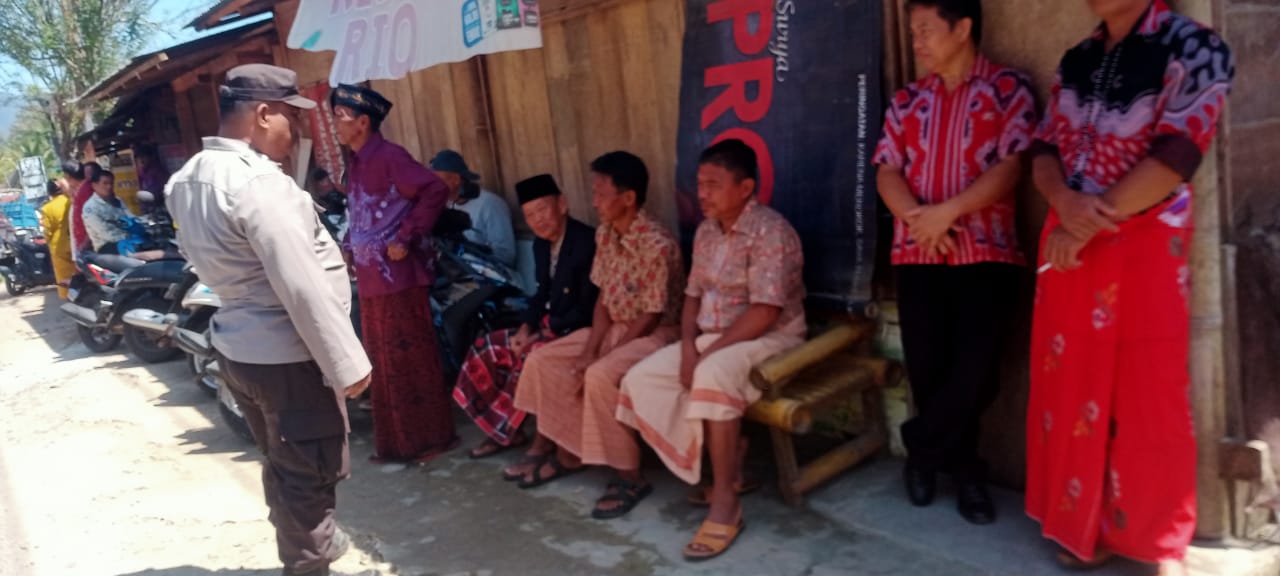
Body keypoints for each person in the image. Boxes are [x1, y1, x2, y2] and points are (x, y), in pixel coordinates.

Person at [1025, 1, 1233, 573]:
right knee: (1069, 382)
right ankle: (1080, 526)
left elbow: (1177, 156)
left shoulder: (1196, 48)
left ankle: (1148, 534)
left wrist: (1084, 221)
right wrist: (1064, 204)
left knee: (1146, 389)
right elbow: (1043, 148)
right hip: (1069, 242)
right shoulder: (1078, 58)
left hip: (1143, 242)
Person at [166, 64, 371, 576]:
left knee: (285, 461)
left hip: (239, 347)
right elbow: (300, 284)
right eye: (289, 118)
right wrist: (348, 364)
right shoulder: (257, 183)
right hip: (287, 355)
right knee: (309, 474)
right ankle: (307, 564)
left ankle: (310, 548)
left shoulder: (187, 179)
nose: (295, 131)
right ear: (262, 114)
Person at [873, 0, 1037, 526]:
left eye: (926, 30)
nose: (917, 42)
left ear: (963, 28)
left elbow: (1013, 166)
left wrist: (948, 213)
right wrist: (919, 220)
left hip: (986, 251)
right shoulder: (907, 100)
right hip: (917, 253)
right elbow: (887, 170)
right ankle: (966, 474)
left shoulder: (1008, 89)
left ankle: (920, 449)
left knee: (977, 371)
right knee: (929, 369)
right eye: (912, 32)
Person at [618, 139, 806, 560]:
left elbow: (765, 312)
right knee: (640, 378)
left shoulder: (772, 232)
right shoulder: (705, 231)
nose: (701, 194)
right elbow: (692, 297)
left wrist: (707, 354)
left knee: (712, 374)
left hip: (771, 337)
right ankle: (724, 462)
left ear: (745, 188)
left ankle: (726, 501)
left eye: (713, 185)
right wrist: (688, 347)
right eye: (699, 184)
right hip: (713, 337)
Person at [510, 152, 683, 519]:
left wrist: (605, 355)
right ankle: (569, 452)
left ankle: (630, 476)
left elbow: (651, 315)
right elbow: (604, 298)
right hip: (615, 326)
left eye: (601, 194)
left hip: (656, 333)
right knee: (543, 360)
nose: (594, 202)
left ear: (628, 198)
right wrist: (591, 347)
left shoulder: (658, 243)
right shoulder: (606, 234)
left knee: (601, 374)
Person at [331, 83, 458, 463]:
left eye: (341, 117)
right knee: (383, 363)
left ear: (363, 122)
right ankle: (396, 445)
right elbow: (361, 211)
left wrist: (406, 236)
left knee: (409, 361)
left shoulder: (390, 156)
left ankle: (428, 441)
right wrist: (350, 245)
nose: (336, 124)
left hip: (399, 278)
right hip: (372, 282)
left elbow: (434, 190)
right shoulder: (355, 162)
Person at [453, 174, 598, 459]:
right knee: (486, 347)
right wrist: (525, 328)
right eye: (530, 215)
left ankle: (537, 443)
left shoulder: (586, 242)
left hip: (579, 330)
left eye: (543, 210)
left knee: (530, 358)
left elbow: (588, 307)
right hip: (549, 325)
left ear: (562, 205)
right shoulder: (541, 245)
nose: (538, 220)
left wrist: (541, 333)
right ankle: (504, 431)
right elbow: (541, 293)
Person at [430, 149, 517, 268]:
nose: (434, 187)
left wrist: (471, 251)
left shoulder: (490, 204)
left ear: (456, 180)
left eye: (437, 181)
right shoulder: (447, 205)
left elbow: (506, 255)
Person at [81, 171, 135, 254]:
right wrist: (127, 236)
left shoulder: (117, 200)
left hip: (127, 239)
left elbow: (130, 217)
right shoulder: (90, 207)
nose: (109, 187)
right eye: (105, 183)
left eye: (111, 183)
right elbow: (105, 233)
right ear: (94, 185)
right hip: (107, 246)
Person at [38, 179, 74, 299]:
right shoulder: (70, 201)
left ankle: (69, 297)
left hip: (58, 246)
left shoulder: (47, 208)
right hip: (75, 241)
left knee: (64, 274)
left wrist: (46, 240)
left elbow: (48, 231)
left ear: (49, 192)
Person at [66, 161, 97, 257]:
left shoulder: (86, 191)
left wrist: (83, 246)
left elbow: (92, 223)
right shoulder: (79, 193)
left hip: (88, 248)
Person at [134, 143, 171, 213]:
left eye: (144, 157)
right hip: (148, 209)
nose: (141, 160)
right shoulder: (140, 172)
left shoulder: (158, 171)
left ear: (151, 157)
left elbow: (166, 190)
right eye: (139, 158)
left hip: (161, 208)